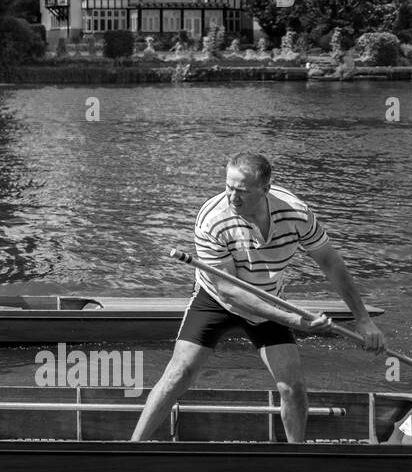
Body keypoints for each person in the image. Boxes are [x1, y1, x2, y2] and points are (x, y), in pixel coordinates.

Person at [131, 152, 385, 443]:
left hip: (269, 299)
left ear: (265, 189)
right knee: (180, 373)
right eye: (228, 187)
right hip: (216, 299)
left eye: (242, 191)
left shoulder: (295, 213)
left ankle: (296, 457)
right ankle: (132, 447)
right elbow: (230, 291)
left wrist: (363, 320)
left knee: (293, 387)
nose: (232, 197)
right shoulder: (212, 219)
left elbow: (330, 262)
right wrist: (294, 320)